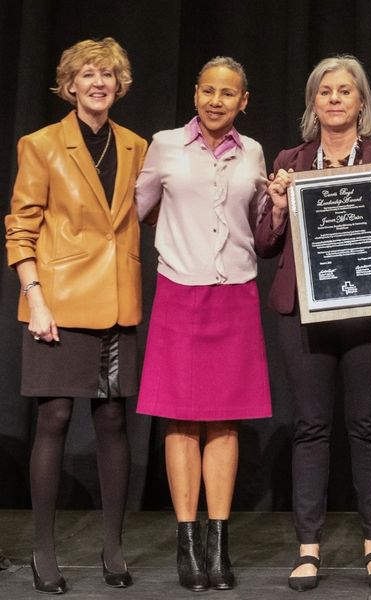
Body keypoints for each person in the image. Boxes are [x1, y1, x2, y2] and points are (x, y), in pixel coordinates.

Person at [255, 54, 371, 591]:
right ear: (312, 102)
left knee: (369, 426)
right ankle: (308, 550)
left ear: (361, 102)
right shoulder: (290, 159)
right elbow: (267, 243)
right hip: (304, 312)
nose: (334, 99)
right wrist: (277, 206)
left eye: (345, 91)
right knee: (310, 427)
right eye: (325, 91)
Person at [4, 38, 147, 594]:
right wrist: (34, 296)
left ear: (118, 84)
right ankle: (44, 551)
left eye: (107, 74)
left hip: (115, 299)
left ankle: (112, 549)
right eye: (87, 74)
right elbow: (21, 225)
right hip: (57, 300)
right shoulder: (40, 144)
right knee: (55, 418)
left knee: (112, 420)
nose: (98, 83)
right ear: (69, 85)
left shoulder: (136, 146)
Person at [135, 56, 272, 592]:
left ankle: (219, 543)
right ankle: (187, 541)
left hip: (234, 293)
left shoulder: (254, 151)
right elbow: (140, 207)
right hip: (179, 291)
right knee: (180, 420)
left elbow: (261, 227)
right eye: (208, 90)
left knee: (225, 421)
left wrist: (279, 206)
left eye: (228, 93)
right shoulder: (166, 144)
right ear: (195, 93)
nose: (216, 101)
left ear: (244, 100)